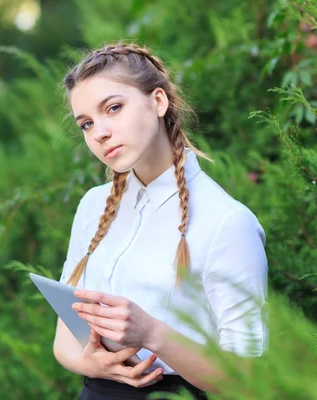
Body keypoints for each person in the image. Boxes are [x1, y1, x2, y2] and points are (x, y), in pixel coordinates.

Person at [53, 42, 268, 399]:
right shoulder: (93, 206)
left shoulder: (228, 222)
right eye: (87, 123)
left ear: (158, 102)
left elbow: (248, 377)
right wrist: (91, 364)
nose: (100, 133)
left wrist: (151, 332)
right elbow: (65, 337)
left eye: (114, 108)